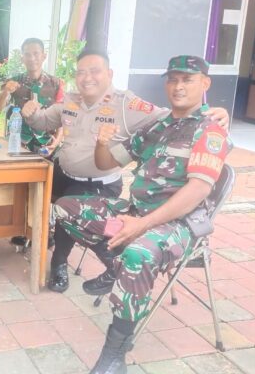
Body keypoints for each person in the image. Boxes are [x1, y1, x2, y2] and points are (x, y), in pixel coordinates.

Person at [53, 55, 231, 373]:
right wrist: (102, 144)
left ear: (205, 83)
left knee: (138, 254)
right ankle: (116, 265)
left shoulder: (210, 130)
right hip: (135, 214)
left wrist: (142, 225)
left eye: (187, 80)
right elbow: (108, 163)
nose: (178, 86)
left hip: (178, 225)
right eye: (173, 79)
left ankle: (114, 355)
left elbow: (198, 190)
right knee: (65, 208)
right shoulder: (157, 127)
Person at [21, 49, 230, 292]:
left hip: (100, 184)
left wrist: (217, 114)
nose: (87, 78)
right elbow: (43, 122)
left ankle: (64, 263)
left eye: (94, 71)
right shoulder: (69, 101)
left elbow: (176, 116)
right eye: (81, 72)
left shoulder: (127, 104)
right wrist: (31, 113)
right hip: (65, 173)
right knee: (35, 190)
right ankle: (34, 237)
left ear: (109, 74)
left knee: (71, 206)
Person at [0, 38, 65, 248]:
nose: (32, 58)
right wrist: (5, 91)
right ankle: (22, 229)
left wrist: (57, 141)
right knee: (20, 187)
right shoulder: (13, 82)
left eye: (36, 53)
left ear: (44, 56)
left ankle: (44, 230)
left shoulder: (56, 84)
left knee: (46, 188)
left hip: (46, 144)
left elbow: (64, 117)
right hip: (19, 144)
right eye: (27, 54)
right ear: (22, 57)